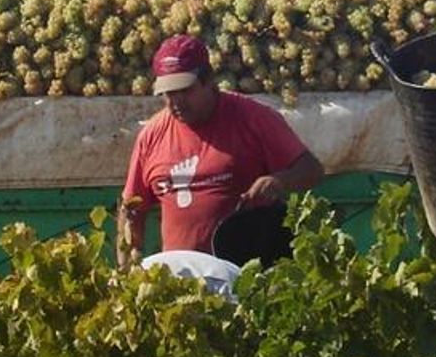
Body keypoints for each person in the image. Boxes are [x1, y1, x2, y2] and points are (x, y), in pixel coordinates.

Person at [118, 35, 325, 265]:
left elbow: (311, 169)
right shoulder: (153, 135)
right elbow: (132, 208)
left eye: (185, 91)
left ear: (209, 80)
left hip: (245, 275)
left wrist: (279, 181)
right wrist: (128, 264)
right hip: (180, 281)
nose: (177, 102)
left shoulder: (254, 119)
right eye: (168, 94)